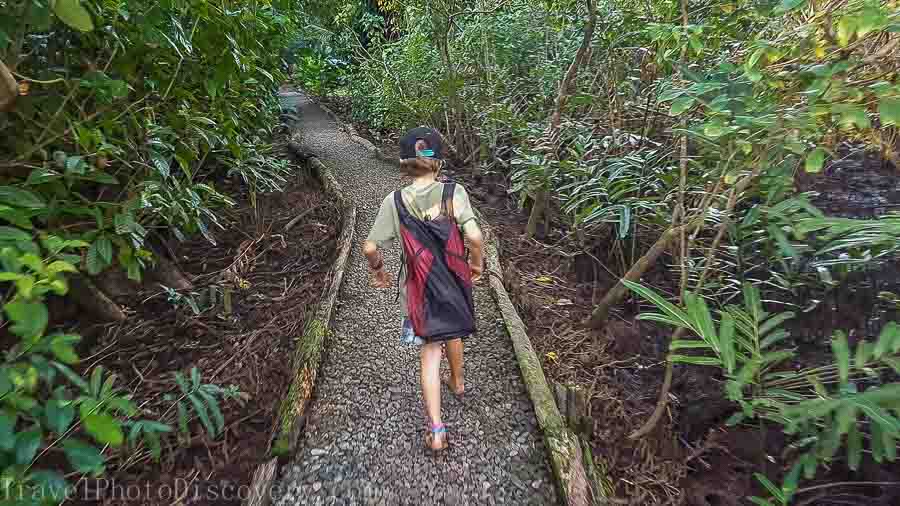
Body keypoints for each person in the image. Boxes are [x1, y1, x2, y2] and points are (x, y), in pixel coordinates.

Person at [363, 127, 484, 453]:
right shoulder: (454, 193)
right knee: (453, 330)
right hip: (454, 282)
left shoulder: (395, 200)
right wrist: (477, 264)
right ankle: (458, 382)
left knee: (430, 354)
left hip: (418, 290)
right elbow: (474, 237)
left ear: (404, 165)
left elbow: (370, 246)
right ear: (438, 161)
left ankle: (436, 429)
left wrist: (379, 272)